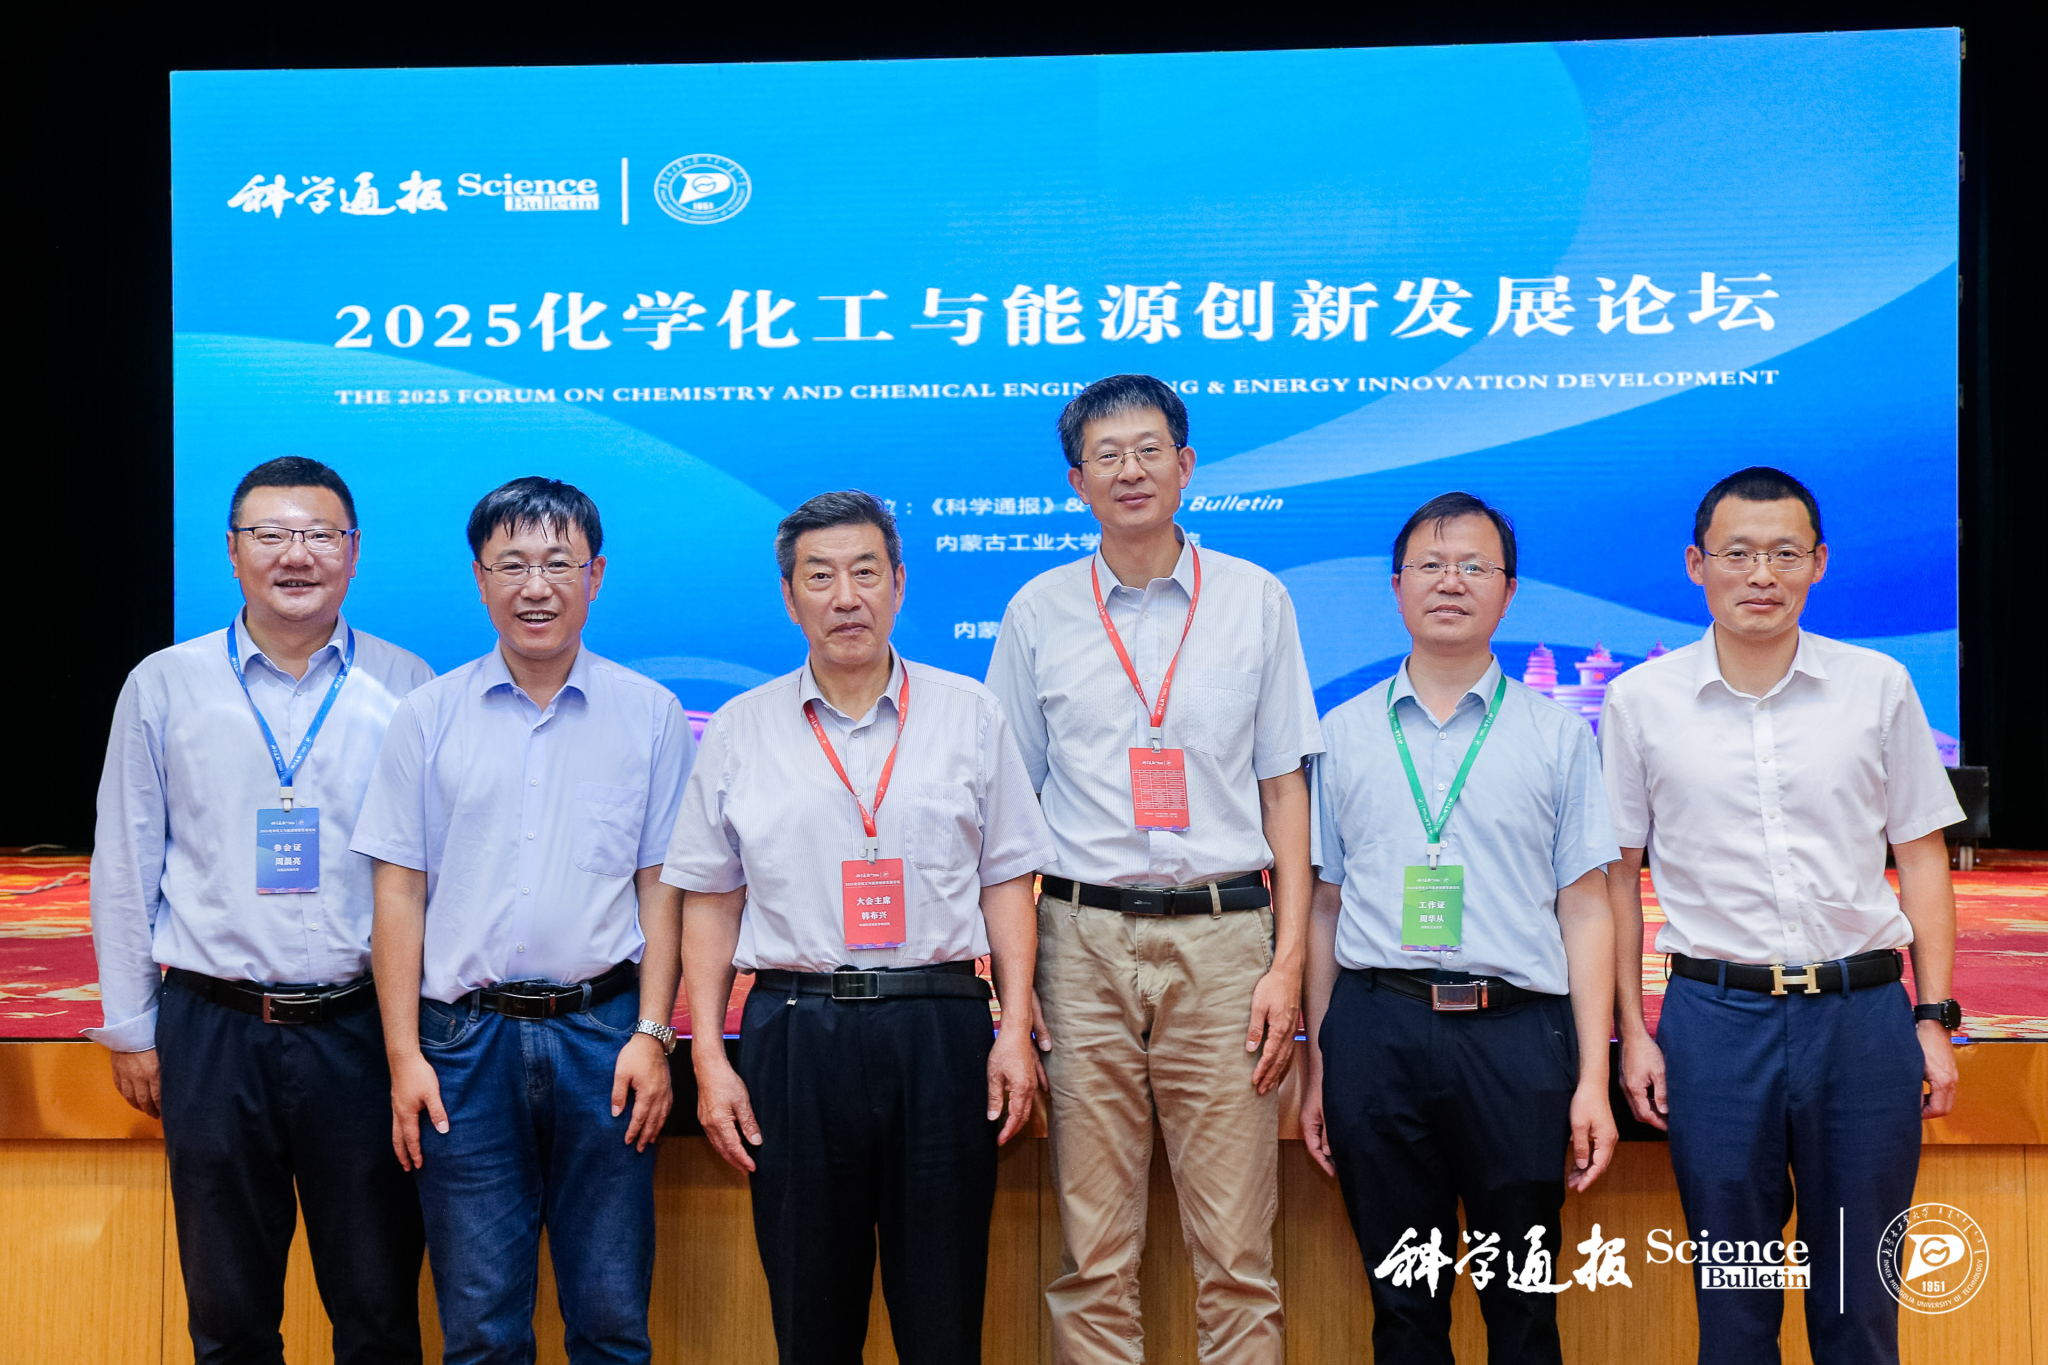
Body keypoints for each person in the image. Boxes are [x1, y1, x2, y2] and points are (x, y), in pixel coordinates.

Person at [983, 374, 1323, 1364]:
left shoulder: (1256, 600)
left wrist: (1286, 962)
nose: (1128, 471)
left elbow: (1284, 792)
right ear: (1076, 481)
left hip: (1225, 943)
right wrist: (1014, 992)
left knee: (1237, 1256)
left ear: (1185, 464)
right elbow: (1007, 812)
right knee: (1092, 1257)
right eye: (1106, 455)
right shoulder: (1038, 611)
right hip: (1078, 940)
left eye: (1147, 450)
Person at [668, 491, 1052, 1365]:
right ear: (789, 595)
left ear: (900, 584)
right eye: (821, 576)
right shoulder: (741, 728)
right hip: (794, 1032)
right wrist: (710, 1057)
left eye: (866, 572)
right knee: (812, 1319)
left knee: (943, 1318)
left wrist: (1014, 1029)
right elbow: (711, 899)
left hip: (941, 1026)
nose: (846, 596)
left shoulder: (969, 712)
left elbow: (1006, 878)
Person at [1602, 466, 1963, 1365]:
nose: (1761, 573)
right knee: (1735, 1309)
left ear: (1818, 563)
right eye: (1737, 553)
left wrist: (1932, 1015)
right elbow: (1617, 878)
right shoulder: (1640, 701)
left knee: (1860, 1306)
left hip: (1862, 1020)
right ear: (1697, 564)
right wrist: (1633, 1032)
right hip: (1717, 1024)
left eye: (1784, 553)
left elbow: (1922, 856)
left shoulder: (1877, 685)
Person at [87, 456, 433, 1365]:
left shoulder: (408, 684)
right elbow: (126, 862)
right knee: (230, 1314)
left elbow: (432, 870)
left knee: (379, 1307)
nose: (296, 555)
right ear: (233, 550)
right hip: (214, 1029)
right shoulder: (164, 684)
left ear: (353, 551)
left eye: (320, 535)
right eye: (271, 534)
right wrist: (132, 1028)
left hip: (361, 1029)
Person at [352, 477, 695, 1365]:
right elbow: (398, 893)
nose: (535, 586)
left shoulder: (650, 714)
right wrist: (404, 1056)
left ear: (595, 575)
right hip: (463, 1046)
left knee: (611, 1322)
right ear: (479, 578)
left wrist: (653, 1033)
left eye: (557, 563)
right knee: (479, 1330)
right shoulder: (427, 716)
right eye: (511, 564)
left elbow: (662, 888)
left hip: (604, 1039)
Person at [1299, 491, 1620, 1365]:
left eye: (1475, 566)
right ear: (1396, 585)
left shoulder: (1558, 735)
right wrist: (1321, 1066)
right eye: (1432, 565)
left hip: (1517, 1039)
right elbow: (1324, 905)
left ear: (1508, 592)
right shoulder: (1341, 734)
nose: (1452, 582)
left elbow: (1587, 907)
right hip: (1379, 1030)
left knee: (1524, 1309)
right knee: (1404, 1311)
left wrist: (1593, 1081)